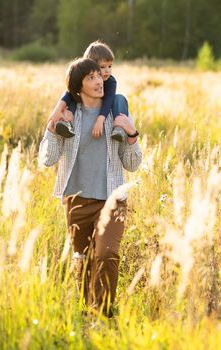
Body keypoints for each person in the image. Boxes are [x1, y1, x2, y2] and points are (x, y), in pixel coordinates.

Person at [39, 57, 142, 317]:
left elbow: (132, 164)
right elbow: (47, 159)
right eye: (91, 78)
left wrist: (131, 135)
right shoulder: (68, 117)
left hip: (113, 199)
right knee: (84, 260)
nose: (99, 81)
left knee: (107, 254)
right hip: (76, 201)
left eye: (100, 75)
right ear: (78, 86)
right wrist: (51, 129)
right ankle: (89, 312)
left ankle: (102, 314)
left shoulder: (116, 115)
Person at [51, 40, 129, 142]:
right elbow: (70, 91)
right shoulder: (82, 80)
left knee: (119, 98)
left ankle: (120, 128)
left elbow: (109, 100)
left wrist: (100, 120)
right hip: (86, 103)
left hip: (103, 106)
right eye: (102, 67)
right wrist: (58, 108)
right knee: (74, 98)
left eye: (110, 66)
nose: (107, 71)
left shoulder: (111, 81)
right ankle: (67, 124)